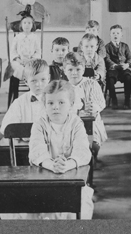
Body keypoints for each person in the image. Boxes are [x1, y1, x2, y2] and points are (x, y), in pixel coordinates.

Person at [28, 80, 94, 219]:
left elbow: (83, 151)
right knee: (36, 208)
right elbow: (36, 151)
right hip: (44, 178)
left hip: (71, 178)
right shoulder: (39, 124)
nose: (55, 107)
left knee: (82, 205)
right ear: (44, 105)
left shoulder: (76, 123)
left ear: (71, 104)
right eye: (50, 103)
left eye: (61, 102)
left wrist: (68, 164)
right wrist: (51, 165)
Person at [63, 52, 108, 160]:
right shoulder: (63, 87)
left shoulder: (91, 84)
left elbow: (101, 102)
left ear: (83, 69)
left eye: (78, 69)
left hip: (90, 121)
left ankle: (91, 154)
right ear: (64, 70)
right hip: (69, 121)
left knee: (92, 142)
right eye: (70, 70)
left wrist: (95, 107)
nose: (74, 73)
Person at [0, 59, 50, 135]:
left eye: (43, 79)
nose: (38, 84)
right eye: (34, 81)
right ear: (26, 81)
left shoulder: (55, 101)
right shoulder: (19, 103)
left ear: (48, 79)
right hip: (24, 143)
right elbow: (6, 127)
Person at [104, 24, 131, 109]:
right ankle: (114, 99)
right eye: (113, 33)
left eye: (117, 33)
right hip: (114, 69)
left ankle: (127, 100)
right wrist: (114, 65)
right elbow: (107, 59)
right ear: (110, 35)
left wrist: (127, 64)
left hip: (124, 68)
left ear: (121, 35)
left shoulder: (125, 46)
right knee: (110, 79)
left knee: (128, 77)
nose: (115, 35)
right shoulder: (107, 47)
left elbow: (130, 57)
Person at [10, 6, 41, 80]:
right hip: (19, 61)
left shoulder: (35, 37)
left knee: (33, 69)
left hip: (32, 61)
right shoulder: (17, 37)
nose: (27, 25)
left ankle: (31, 84)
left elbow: (38, 51)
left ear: (32, 25)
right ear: (21, 25)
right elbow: (13, 51)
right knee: (18, 68)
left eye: (29, 23)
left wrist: (31, 60)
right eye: (25, 23)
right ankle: (15, 87)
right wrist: (19, 60)